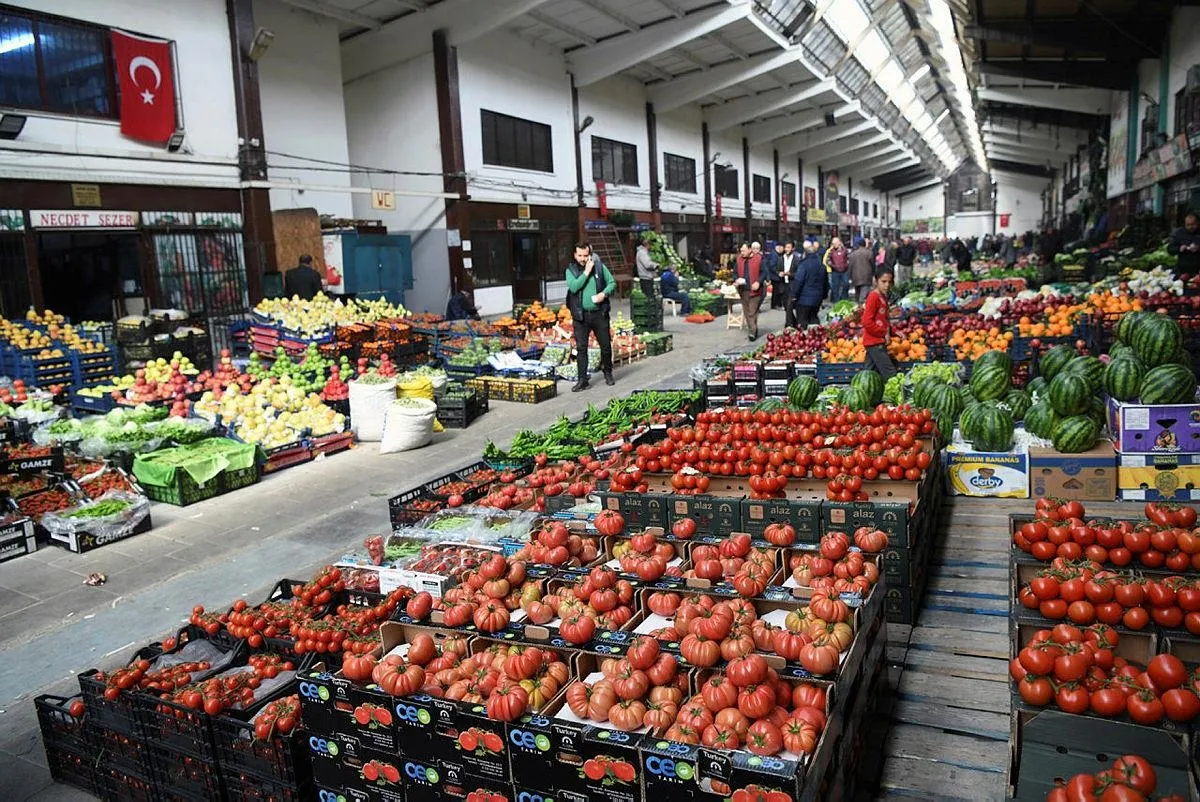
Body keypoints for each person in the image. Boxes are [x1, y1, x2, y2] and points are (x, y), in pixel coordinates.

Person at [565, 243, 616, 392]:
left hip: (599, 314)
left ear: (590, 255)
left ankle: (608, 372)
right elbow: (574, 287)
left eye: (585, 255)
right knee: (581, 348)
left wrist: (603, 294)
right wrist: (586, 272)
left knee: (605, 346)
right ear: (575, 255)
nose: (582, 258)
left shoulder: (599, 267)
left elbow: (611, 283)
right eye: (579, 255)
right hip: (580, 316)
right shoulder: (571, 270)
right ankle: (582, 379)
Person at [863, 265, 898, 381]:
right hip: (874, 342)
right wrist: (884, 333)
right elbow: (867, 322)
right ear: (876, 281)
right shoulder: (873, 297)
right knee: (890, 374)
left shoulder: (883, 297)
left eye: (889, 282)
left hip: (877, 342)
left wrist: (894, 332)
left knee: (869, 374)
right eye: (883, 282)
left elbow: (883, 320)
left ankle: (863, 393)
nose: (887, 285)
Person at [790, 238, 826, 327]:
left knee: (802, 322)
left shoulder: (804, 265)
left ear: (805, 253)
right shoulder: (821, 265)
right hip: (817, 298)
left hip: (804, 299)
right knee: (814, 319)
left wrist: (794, 295)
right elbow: (825, 282)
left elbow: (798, 281)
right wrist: (824, 295)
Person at [733, 243, 764, 341]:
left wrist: (758, 282)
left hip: (755, 291)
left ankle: (752, 332)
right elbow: (735, 273)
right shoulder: (739, 260)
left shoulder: (759, 259)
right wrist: (736, 280)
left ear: (750, 249)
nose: (742, 253)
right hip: (743, 290)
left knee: (752, 312)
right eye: (741, 251)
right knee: (747, 313)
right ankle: (754, 330)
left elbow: (764, 272)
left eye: (743, 250)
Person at [777, 241, 799, 327]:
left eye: (789, 247)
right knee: (786, 306)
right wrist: (779, 273)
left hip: (792, 284)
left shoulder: (796, 259)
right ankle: (794, 322)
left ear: (793, 248)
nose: (787, 249)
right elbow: (777, 270)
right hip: (783, 284)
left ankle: (788, 325)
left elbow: (799, 273)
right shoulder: (781, 258)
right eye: (786, 247)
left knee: (790, 305)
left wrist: (791, 274)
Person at [848, 237, 875, 304]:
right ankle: (862, 309)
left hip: (856, 277)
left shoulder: (852, 254)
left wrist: (850, 276)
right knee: (864, 296)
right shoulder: (869, 253)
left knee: (857, 294)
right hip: (866, 277)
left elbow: (850, 266)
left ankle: (858, 308)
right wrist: (873, 274)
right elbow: (873, 265)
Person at [823, 237, 850, 303]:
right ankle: (836, 301)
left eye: (835, 243)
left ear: (839, 243)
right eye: (833, 243)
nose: (834, 244)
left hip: (844, 271)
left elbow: (849, 258)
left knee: (846, 284)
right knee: (835, 287)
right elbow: (827, 260)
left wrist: (846, 265)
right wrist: (833, 266)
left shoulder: (845, 250)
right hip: (835, 271)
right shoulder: (831, 251)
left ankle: (844, 299)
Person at [764, 243, 783, 309]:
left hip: (775, 275)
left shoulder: (775, 254)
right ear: (779, 247)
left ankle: (775, 304)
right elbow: (772, 266)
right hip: (775, 276)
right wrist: (778, 273)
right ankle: (775, 305)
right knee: (776, 291)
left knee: (776, 291)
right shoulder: (774, 255)